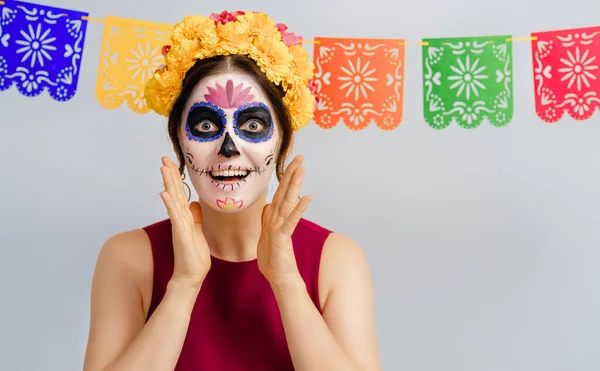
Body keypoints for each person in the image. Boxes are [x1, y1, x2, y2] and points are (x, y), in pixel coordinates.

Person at [82, 10, 381, 371]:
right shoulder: (128, 258)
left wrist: (286, 281)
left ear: (283, 142)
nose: (228, 149)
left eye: (252, 124)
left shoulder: (336, 260)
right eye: (205, 124)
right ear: (179, 142)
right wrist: (184, 284)